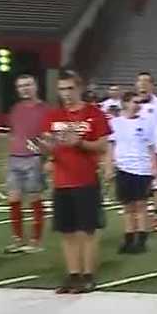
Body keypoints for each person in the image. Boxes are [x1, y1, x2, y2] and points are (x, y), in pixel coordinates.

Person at [44, 71, 111, 294]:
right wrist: (45, 153)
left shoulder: (94, 114)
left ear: (79, 88)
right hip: (61, 182)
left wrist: (80, 144)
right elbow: (44, 145)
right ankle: (73, 275)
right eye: (62, 89)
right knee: (67, 231)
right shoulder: (54, 116)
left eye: (70, 89)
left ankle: (88, 275)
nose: (66, 94)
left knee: (87, 231)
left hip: (86, 180)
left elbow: (102, 145)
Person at [4, 74, 49, 254]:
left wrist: (42, 155)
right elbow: (14, 132)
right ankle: (17, 240)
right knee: (13, 199)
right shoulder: (15, 109)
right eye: (21, 86)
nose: (24, 88)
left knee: (34, 199)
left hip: (34, 158)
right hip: (15, 158)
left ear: (35, 86)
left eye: (28, 85)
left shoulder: (45, 109)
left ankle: (35, 241)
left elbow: (48, 136)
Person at [108, 93, 157, 254]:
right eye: (134, 102)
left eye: (139, 102)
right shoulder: (114, 123)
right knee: (128, 206)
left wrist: (154, 166)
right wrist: (109, 167)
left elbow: (151, 147)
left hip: (142, 169)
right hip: (123, 168)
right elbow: (110, 147)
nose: (138, 105)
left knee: (141, 205)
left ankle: (141, 240)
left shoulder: (146, 123)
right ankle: (129, 238)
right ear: (124, 103)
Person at [135, 71, 157, 233]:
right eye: (139, 81)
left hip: (155, 150)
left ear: (151, 85)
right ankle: (138, 217)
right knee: (138, 184)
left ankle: (156, 216)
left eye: (146, 81)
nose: (142, 84)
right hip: (136, 151)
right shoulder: (131, 104)